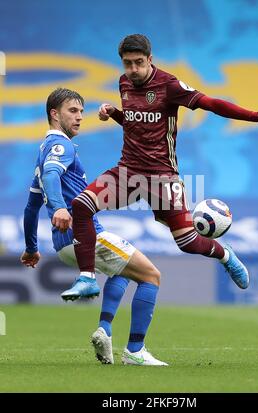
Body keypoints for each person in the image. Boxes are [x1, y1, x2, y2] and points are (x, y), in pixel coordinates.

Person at [71, 34, 258, 292]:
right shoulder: (124, 83)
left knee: (188, 243)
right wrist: (115, 113)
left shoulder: (168, 85)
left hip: (163, 177)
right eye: (128, 64)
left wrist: (255, 116)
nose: (133, 69)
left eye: (139, 62)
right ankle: (87, 278)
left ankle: (225, 255)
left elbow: (210, 103)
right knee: (81, 205)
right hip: (127, 172)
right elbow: (135, 125)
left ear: (150, 59)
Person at [20, 87, 168, 366]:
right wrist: (59, 208)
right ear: (54, 114)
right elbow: (52, 178)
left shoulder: (43, 152)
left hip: (63, 245)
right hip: (85, 236)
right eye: (72, 111)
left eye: (81, 112)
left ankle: (105, 329)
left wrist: (31, 248)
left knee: (124, 272)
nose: (79, 118)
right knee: (151, 276)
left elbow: (30, 208)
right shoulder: (60, 146)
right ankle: (135, 351)